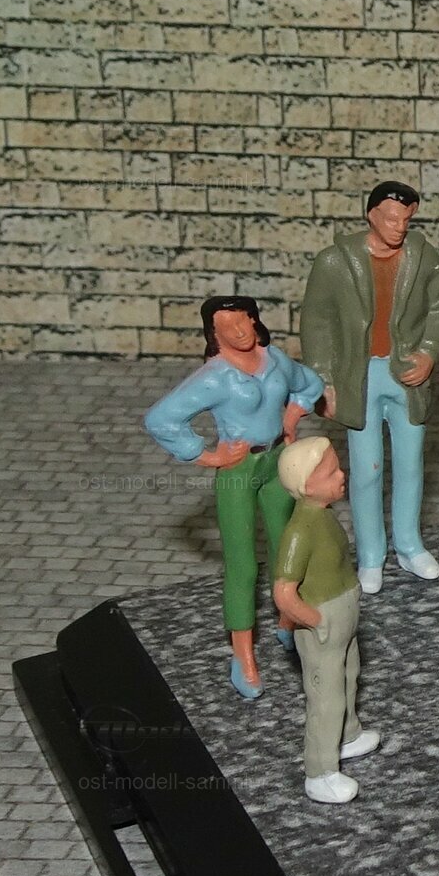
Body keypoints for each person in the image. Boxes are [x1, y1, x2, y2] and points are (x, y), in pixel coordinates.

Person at [144, 296, 324, 699]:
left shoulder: (275, 360)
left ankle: (288, 622)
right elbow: (160, 419)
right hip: (238, 472)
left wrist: (292, 415)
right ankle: (243, 656)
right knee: (242, 566)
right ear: (214, 333)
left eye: (245, 321)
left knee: (288, 548)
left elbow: (309, 383)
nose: (240, 331)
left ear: (255, 321)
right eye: (229, 326)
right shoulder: (215, 377)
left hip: (277, 462)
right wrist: (207, 456)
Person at [300, 181, 439, 593]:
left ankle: (409, 544)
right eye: (391, 218)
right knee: (367, 471)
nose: (399, 227)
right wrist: (324, 382)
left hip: (405, 376)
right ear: (371, 215)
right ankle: (371, 555)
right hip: (359, 377)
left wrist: (428, 353)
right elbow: (317, 323)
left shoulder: (422, 257)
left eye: (406, 220)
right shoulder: (334, 262)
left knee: (410, 466)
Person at [272, 436, 379, 805]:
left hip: (344, 619)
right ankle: (320, 772)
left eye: (337, 467)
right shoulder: (299, 532)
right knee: (326, 699)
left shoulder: (324, 516)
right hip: (324, 626)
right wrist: (314, 621)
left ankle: (347, 735)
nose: (341, 475)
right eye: (331, 472)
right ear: (306, 485)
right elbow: (284, 593)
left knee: (349, 678)